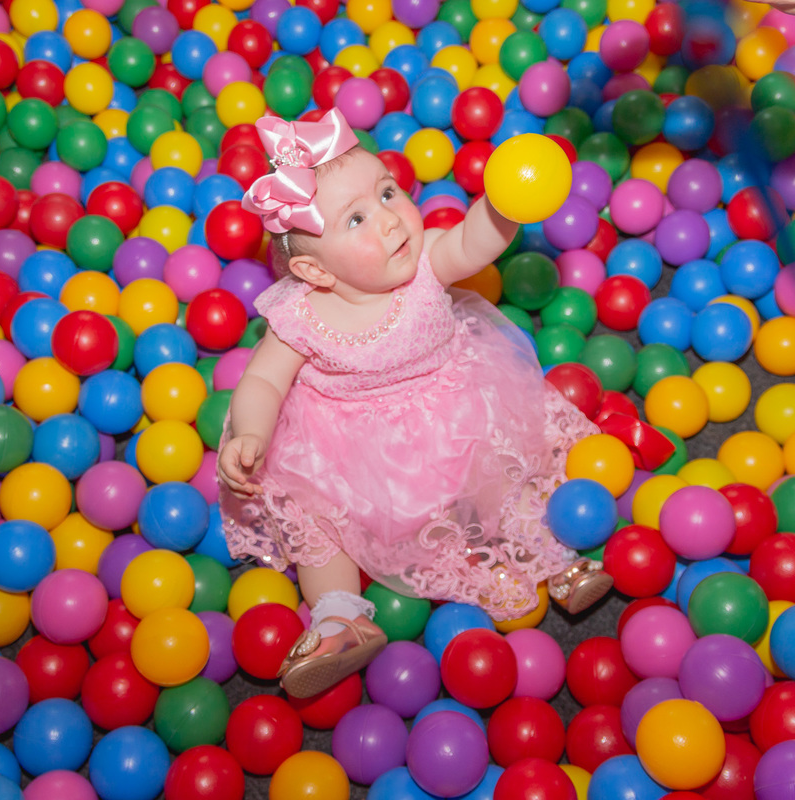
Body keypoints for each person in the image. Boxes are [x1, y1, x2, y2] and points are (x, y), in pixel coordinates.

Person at [217, 109, 612, 699]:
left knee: (500, 481)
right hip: (347, 452)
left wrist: (506, 201)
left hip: (454, 417)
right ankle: (339, 617)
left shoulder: (427, 264)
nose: (389, 219)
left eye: (388, 192)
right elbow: (265, 382)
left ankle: (549, 556)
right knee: (317, 519)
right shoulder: (299, 316)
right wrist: (249, 433)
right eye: (356, 218)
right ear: (311, 271)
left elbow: (473, 243)